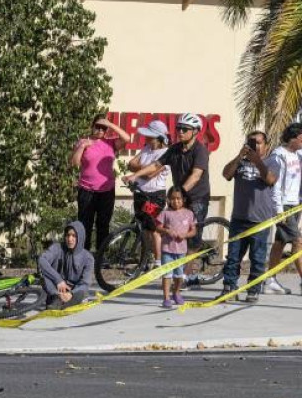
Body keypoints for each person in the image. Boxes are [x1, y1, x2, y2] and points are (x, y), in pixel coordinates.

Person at [123, 113, 210, 283]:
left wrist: (180, 194)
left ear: (196, 132)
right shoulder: (174, 149)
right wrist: (135, 176)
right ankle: (172, 269)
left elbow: (196, 175)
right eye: (178, 128)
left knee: (191, 239)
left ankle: (184, 276)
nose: (180, 131)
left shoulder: (200, 151)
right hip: (180, 197)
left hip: (197, 197)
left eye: (185, 129)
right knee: (173, 231)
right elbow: (156, 165)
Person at [219, 131, 277, 303]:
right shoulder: (241, 161)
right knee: (233, 256)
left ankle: (253, 289)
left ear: (266, 145)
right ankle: (229, 288)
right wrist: (239, 156)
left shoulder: (272, 161)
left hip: (260, 220)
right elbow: (226, 174)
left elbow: (271, 179)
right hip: (239, 218)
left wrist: (257, 161)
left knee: (257, 258)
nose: (256, 146)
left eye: (259, 143)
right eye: (252, 142)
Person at [263, 122, 302, 296]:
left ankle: (270, 280)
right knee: (297, 240)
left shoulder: (299, 156)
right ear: (293, 139)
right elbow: (275, 185)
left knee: (280, 242)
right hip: (284, 205)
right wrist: (279, 211)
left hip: (296, 204)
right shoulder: (278, 156)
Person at [71, 113, 130, 251]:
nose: (100, 131)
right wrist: (82, 147)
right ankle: (83, 255)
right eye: (98, 127)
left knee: (103, 225)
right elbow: (74, 164)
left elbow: (127, 138)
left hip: (106, 190)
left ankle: (101, 257)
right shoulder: (82, 142)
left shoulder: (111, 143)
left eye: (104, 128)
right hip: (87, 190)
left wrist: (110, 124)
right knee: (84, 224)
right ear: (92, 127)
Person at [126, 119, 170, 266]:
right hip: (140, 193)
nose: (147, 139)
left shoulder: (166, 154)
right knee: (143, 230)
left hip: (154, 196)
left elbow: (150, 174)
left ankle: (158, 262)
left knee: (154, 230)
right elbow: (130, 164)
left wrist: (140, 169)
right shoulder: (146, 148)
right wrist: (145, 167)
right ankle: (144, 261)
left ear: (159, 138)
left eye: (150, 137)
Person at [153, 186, 197, 308]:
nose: (175, 201)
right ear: (168, 200)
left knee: (179, 275)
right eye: (172, 199)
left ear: (184, 199)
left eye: (178, 199)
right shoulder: (165, 213)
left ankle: (176, 293)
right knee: (167, 274)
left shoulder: (189, 214)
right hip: (167, 249)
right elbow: (157, 227)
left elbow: (193, 231)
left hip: (182, 250)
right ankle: (166, 298)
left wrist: (185, 234)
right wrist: (167, 231)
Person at [38, 221, 94, 310]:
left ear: (80, 237)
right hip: (56, 289)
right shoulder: (57, 248)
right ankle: (57, 299)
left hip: (74, 290)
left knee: (82, 290)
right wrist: (58, 280)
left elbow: (85, 283)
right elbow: (42, 260)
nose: (70, 239)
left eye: (74, 236)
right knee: (44, 274)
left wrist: (71, 293)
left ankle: (67, 301)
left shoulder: (88, 258)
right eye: (68, 235)